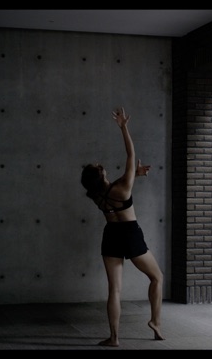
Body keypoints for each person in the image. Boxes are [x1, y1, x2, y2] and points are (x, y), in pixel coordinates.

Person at [80, 107, 164, 347]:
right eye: (99, 166)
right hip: (130, 233)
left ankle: (114, 338)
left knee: (114, 290)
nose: (101, 164)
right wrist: (123, 127)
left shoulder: (97, 195)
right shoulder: (122, 187)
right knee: (157, 278)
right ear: (102, 174)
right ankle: (156, 324)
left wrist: (133, 176)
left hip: (111, 236)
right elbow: (130, 154)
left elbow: (114, 186)